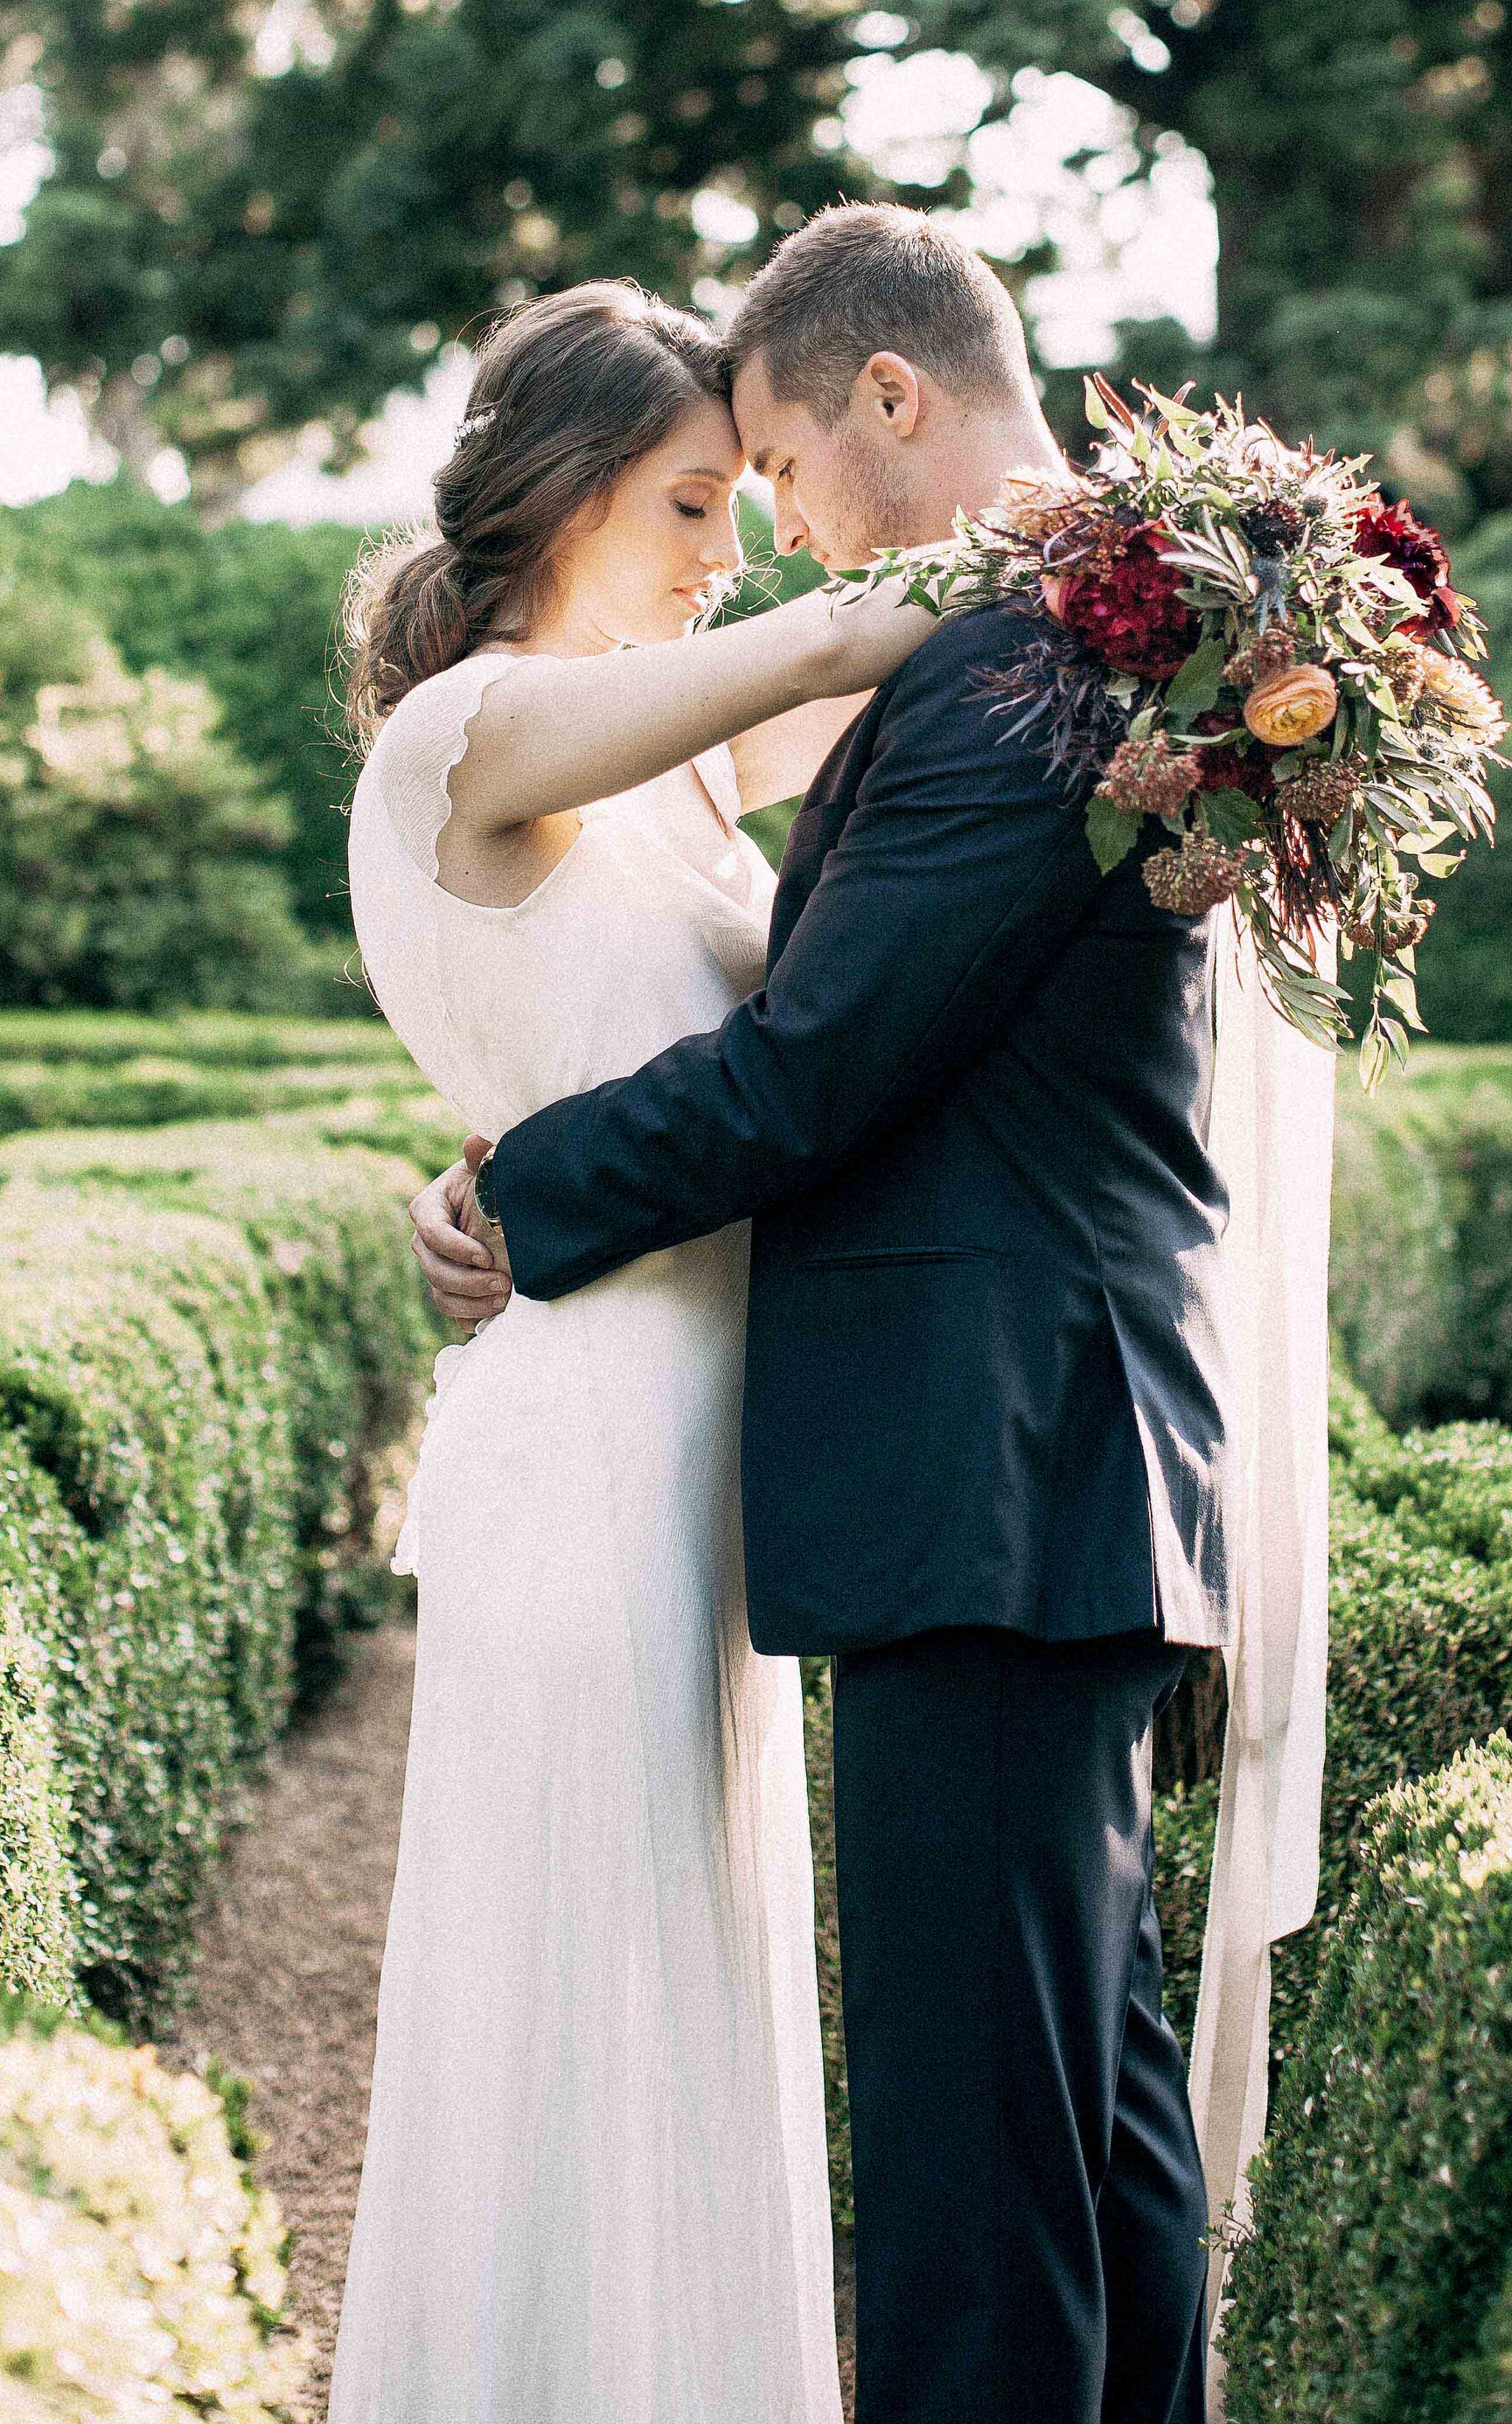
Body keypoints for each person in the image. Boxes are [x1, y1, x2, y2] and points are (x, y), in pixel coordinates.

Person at [411, 204, 1234, 2424]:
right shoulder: (1061, 643)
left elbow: (820, 1061)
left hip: (993, 1470)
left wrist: (521, 1190)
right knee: (1077, 2125)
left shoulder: (1022, 671)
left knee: (990, 2181)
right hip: (1027, 1472)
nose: (767, 533)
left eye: (766, 471)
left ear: (889, 397)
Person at [326, 275, 931, 2424]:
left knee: (683, 2010)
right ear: (576, 487)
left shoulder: (658, 771)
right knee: (582, 2015)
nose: (733, 548)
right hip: (584, 1461)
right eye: (699, 498)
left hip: (704, 1455)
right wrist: (1079, 524)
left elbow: (884, 736)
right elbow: (856, 639)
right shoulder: (472, 730)